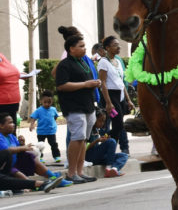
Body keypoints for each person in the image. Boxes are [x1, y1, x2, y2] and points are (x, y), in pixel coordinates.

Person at [55, 26, 100, 183]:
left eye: (84, 46)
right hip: (74, 106)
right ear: (71, 49)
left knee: (84, 139)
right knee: (77, 137)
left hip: (88, 105)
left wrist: (94, 84)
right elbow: (61, 85)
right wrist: (85, 84)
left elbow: (87, 81)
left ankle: (80, 172)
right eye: (81, 46)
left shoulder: (84, 62)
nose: (84, 49)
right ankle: (71, 172)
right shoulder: (65, 65)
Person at [96, 36, 133, 155]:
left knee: (119, 125)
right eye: (115, 45)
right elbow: (103, 83)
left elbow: (121, 82)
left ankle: (108, 147)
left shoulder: (117, 61)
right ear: (107, 48)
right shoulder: (103, 62)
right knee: (118, 125)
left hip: (120, 95)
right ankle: (106, 146)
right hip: (111, 95)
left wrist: (129, 100)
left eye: (118, 44)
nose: (119, 47)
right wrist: (108, 102)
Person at [84, 111, 130, 177]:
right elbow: (84, 147)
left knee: (124, 155)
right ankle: (109, 167)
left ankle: (114, 169)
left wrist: (102, 140)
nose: (102, 123)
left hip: (98, 157)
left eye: (104, 121)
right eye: (100, 121)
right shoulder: (88, 129)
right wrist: (97, 141)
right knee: (112, 141)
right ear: (94, 119)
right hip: (89, 157)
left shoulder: (97, 130)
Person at [29, 90, 61, 164]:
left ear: (52, 101)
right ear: (41, 101)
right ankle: (40, 157)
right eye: (45, 102)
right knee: (40, 145)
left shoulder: (53, 109)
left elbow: (55, 117)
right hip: (41, 131)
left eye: (49, 102)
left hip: (51, 131)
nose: (47, 104)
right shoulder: (39, 110)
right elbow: (33, 118)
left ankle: (56, 156)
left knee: (53, 144)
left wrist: (53, 124)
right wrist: (32, 125)